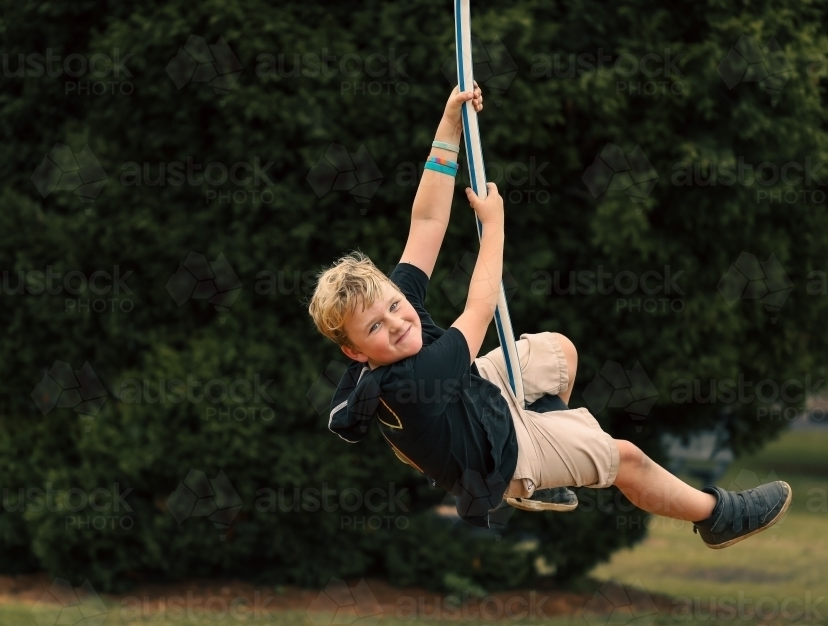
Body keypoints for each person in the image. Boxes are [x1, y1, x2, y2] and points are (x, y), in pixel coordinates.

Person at [307, 84, 791, 547]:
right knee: (625, 457)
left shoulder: (399, 310)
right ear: (354, 352)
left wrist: (449, 125)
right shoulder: (408, 380)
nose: (396, 322)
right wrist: (493, 225)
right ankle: (716, 516)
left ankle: (551, 459)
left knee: (558, 352)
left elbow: (428, 221)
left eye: (393, 305)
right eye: (375, 327)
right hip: (499, 457)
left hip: (472, 396)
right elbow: (480, 306)